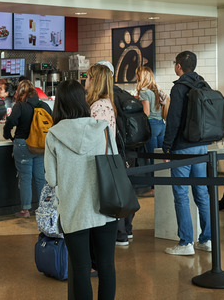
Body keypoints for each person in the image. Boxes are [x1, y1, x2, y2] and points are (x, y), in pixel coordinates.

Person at [44, 80, 117, 300]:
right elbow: (114, 162)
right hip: (106, 206)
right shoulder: (103, 129)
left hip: (74, 210)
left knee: (81, 268)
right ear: (83, 100)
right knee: (106, 265)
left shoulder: (54, 135)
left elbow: (52, 178)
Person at [162, 51, 211, 255]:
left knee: (181, 194)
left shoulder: (179, 88)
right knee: (202, 193)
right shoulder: (203, 84)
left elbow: (173, 120)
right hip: (202, 145)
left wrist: (166, 145)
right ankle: (207, 240)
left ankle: (185, 243)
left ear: (179, 66)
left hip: (182, 147)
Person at [88, 62, 132, 247]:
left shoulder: (99, 106)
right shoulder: (108, 103)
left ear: (95, 81)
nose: (86, 81)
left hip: (99, 162)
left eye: (88, 77)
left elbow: (94, 139)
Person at [2, 79, 52, 218]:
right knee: (40, 177)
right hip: (40, 146)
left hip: (23, 144)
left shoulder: (20, 106)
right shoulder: (44, 106)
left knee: (25, 177)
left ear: (20, 92)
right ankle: (44, 208)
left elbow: (11, 121)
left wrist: (7, 134)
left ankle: (25, 210)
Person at [135, 65, 165, 198]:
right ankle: (162, 185)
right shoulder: (157, 89)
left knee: (152, 159)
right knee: (160, 157)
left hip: (151, 126)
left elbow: (146, 112)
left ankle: (153, 188)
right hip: (161, 125)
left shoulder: (143, 91)